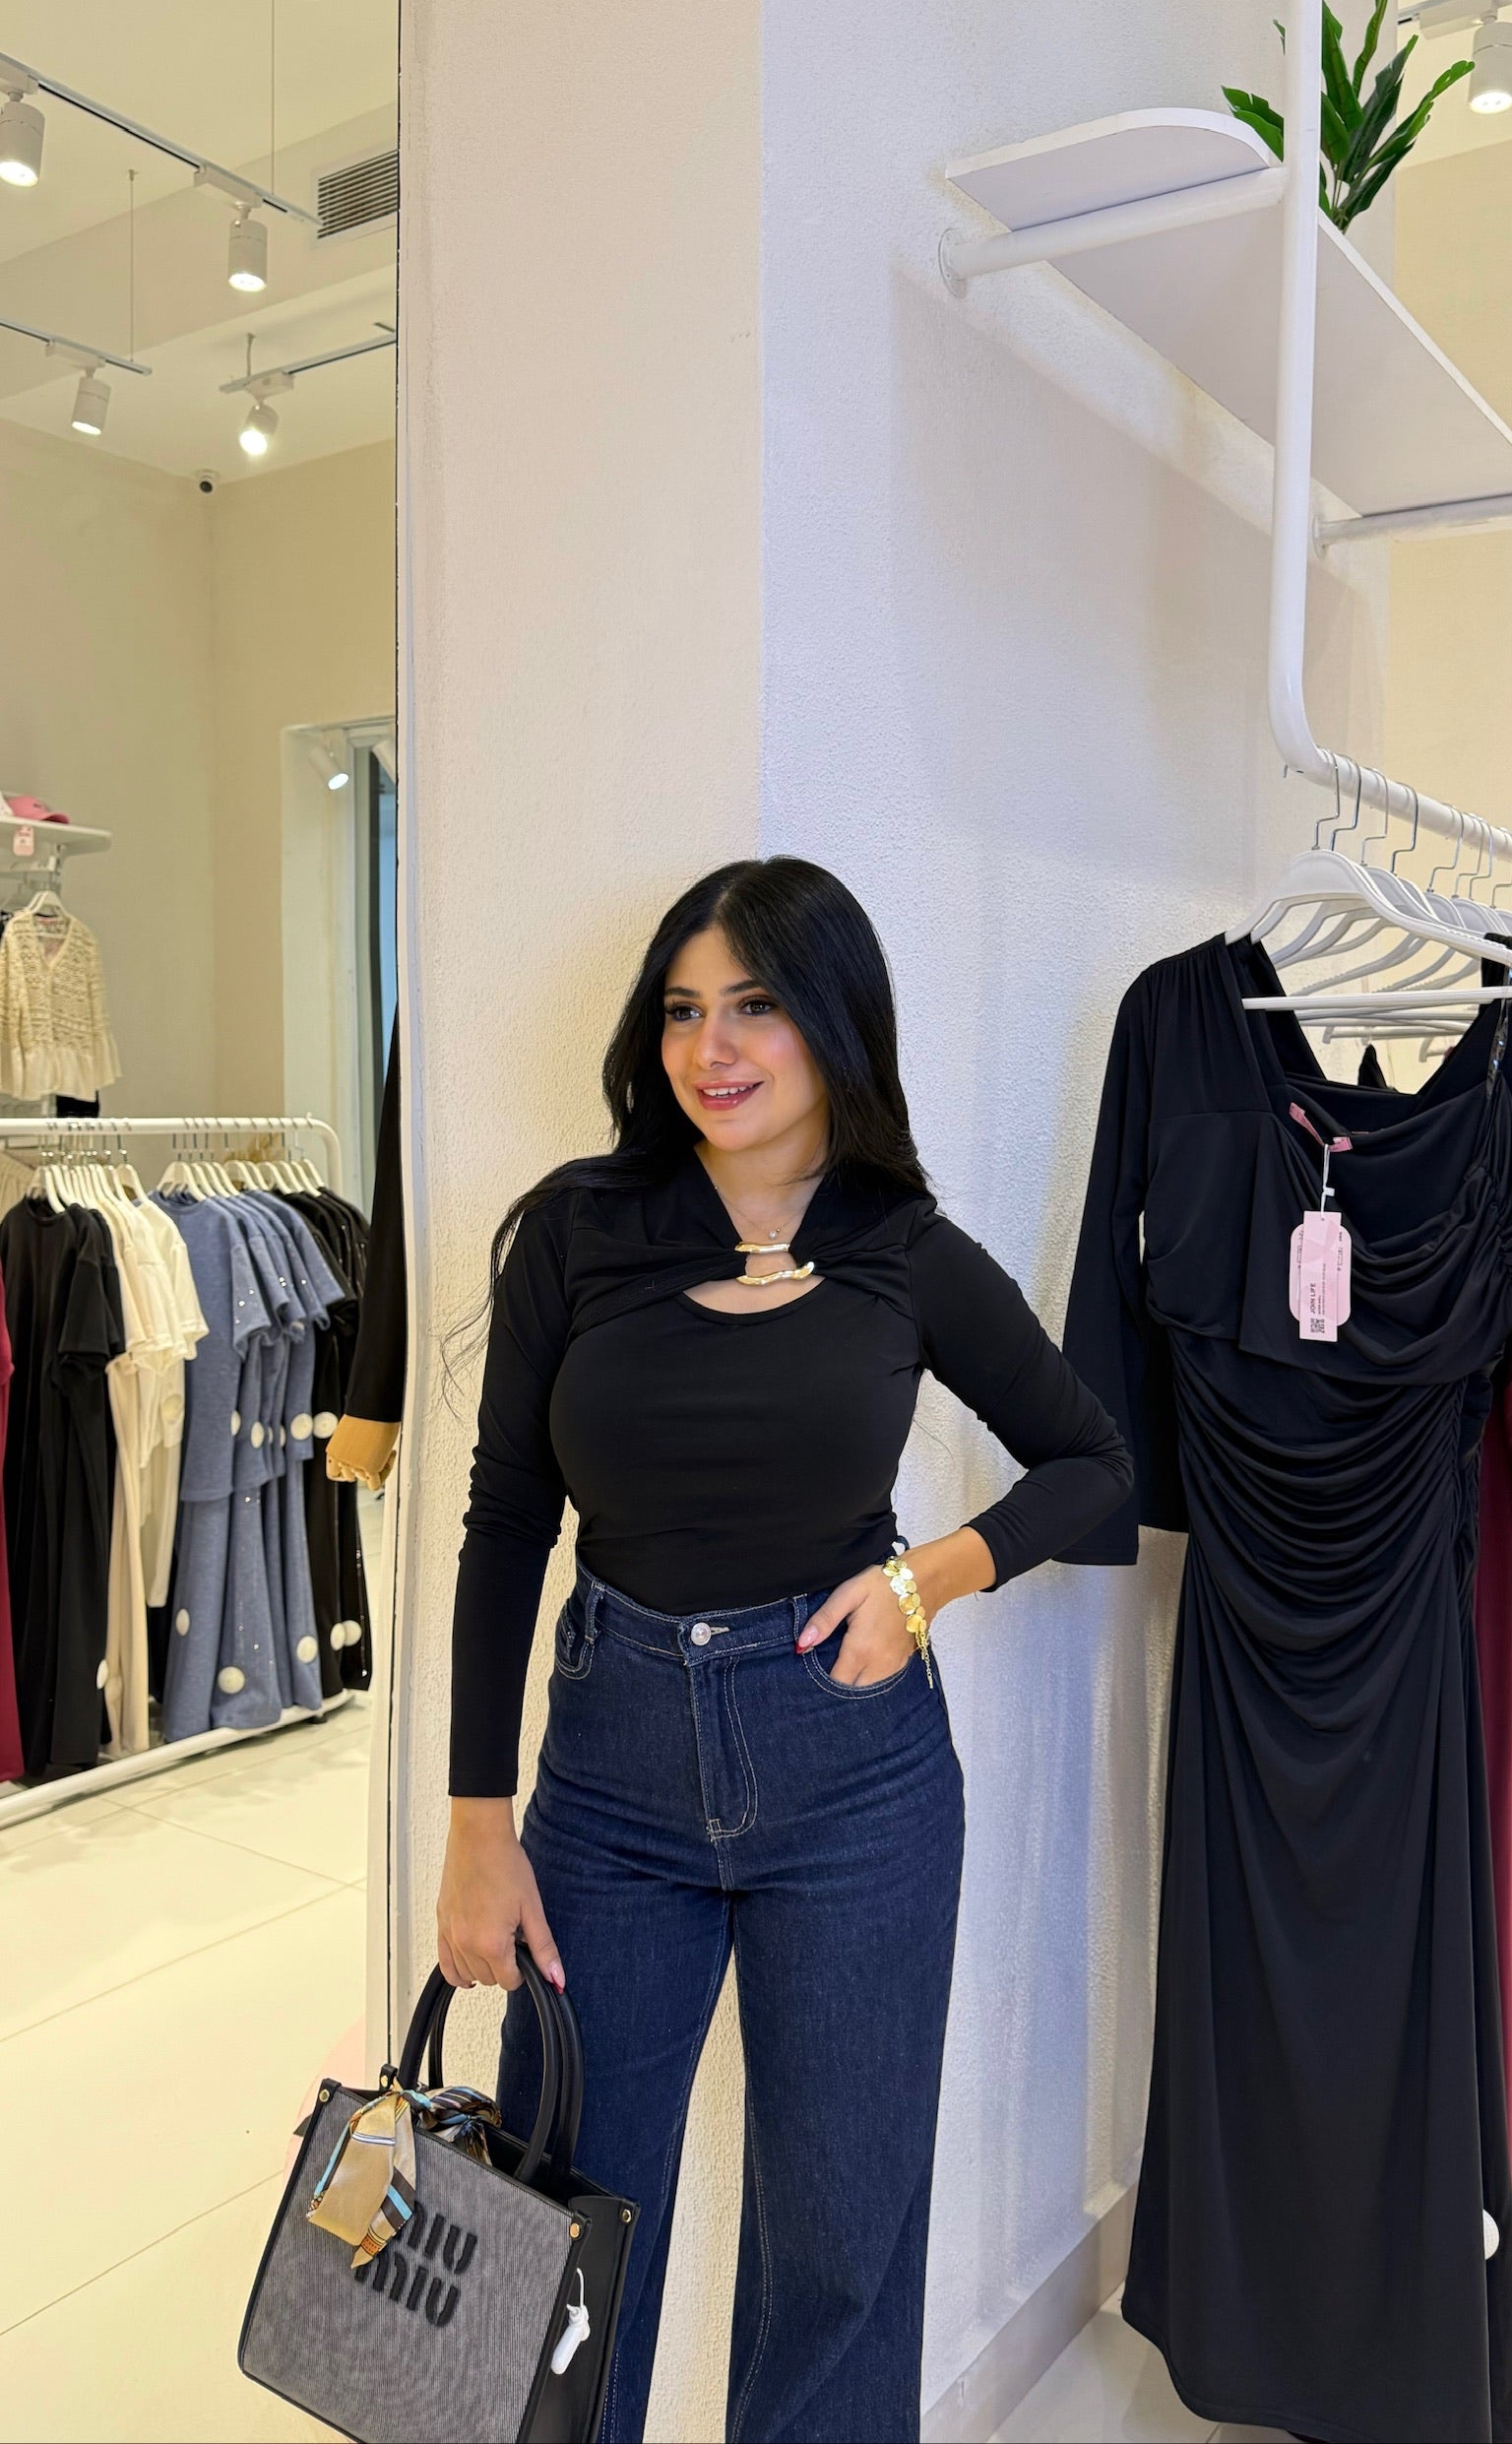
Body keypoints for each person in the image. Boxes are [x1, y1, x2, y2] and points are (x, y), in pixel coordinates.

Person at [437, 856, 1132, 2444]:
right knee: (559, 2234)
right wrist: (479, 1826)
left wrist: (929, 1577)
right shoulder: (579, 1229)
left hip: (857, 1783)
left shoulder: (904, 1247)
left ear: (832, 1019)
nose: (713, 1047)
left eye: (754, 1004)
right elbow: (504, 1520)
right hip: (609, 1787)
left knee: (839, 2252)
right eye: (684, 1010)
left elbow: (1094, 1459)